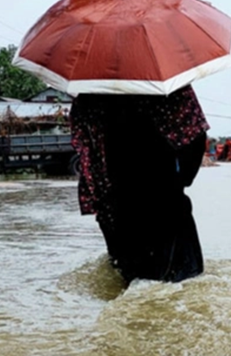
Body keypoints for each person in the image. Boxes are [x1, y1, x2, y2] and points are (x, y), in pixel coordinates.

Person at [69, 85, 209, 284]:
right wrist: (183, 180)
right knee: (181, 282)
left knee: (130, 279)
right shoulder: (168, 87)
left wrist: (100, 201)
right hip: (164, 196)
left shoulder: (89, 93)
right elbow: (196, 136)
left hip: (115, 201)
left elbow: (85, 152)